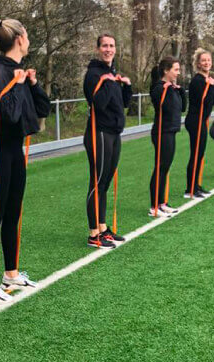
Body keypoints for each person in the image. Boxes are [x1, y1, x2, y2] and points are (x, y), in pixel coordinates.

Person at [0, 18, 50, 303]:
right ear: (19, 39)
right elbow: (9, 114)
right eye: (27, 35)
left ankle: (11, 274)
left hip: (14, 148)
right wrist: (17, 85)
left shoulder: (17, 72)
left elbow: (43, 109)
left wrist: (32, 83)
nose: (28, 40)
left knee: (13, 212)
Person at [83, 33, 133, 248]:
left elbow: (123, 104)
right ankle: (93, 233)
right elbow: (98, 104)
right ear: (98, 49)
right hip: (99, 133)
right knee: (97, 182)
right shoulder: (94, 74)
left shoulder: (111, 72)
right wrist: (106, 83)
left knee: (105, 183)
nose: (108, 49)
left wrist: (126, 86)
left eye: (112, 46)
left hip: (114, 132)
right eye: (104, 46)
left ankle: (103, 228)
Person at [149, 56, 186, 217]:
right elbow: (163, 106)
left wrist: (180, 91)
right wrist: (168, 89)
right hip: (162, 132)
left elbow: (182, 108)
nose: (178, 73)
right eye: (175, 70)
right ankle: (154, 206)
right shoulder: (159, 88)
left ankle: (162, 203)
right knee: (161, 167)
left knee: (165, 168)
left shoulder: (172, 88)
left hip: (171, 131)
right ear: (166, 70)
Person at [184, 49, 214, 199]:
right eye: (203, 60)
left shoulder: (208, 80)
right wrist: (209, 86)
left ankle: (196, 185)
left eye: (208, 60)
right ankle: (190, 188)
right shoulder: (197, 81)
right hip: (195, 121)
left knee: (200, 154)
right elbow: (204, 101)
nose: (206, 63)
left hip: (203, 121)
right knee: (196, 154)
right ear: (198, 63)